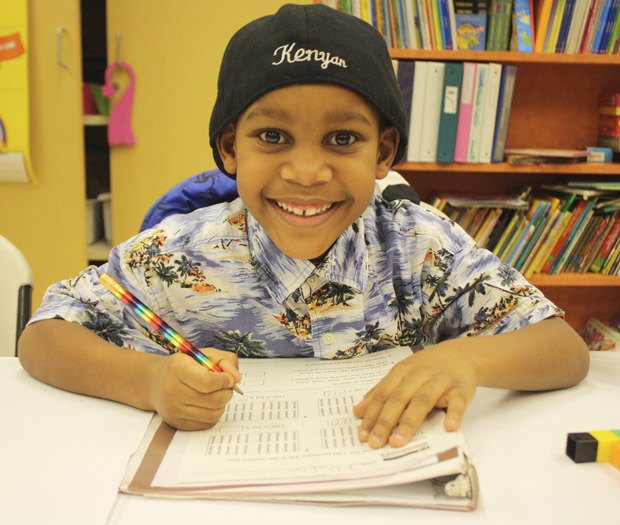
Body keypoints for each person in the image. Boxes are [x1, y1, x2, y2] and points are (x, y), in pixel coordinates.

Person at [18, 4, 589, 449]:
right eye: (272, 137)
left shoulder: (421, 245)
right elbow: (43, 336)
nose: (308, 172)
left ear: (383, 152)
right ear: (229, 149)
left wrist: (465, 359)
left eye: (343, 139)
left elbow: (563, 348)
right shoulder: (177, 254)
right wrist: (145, 382)